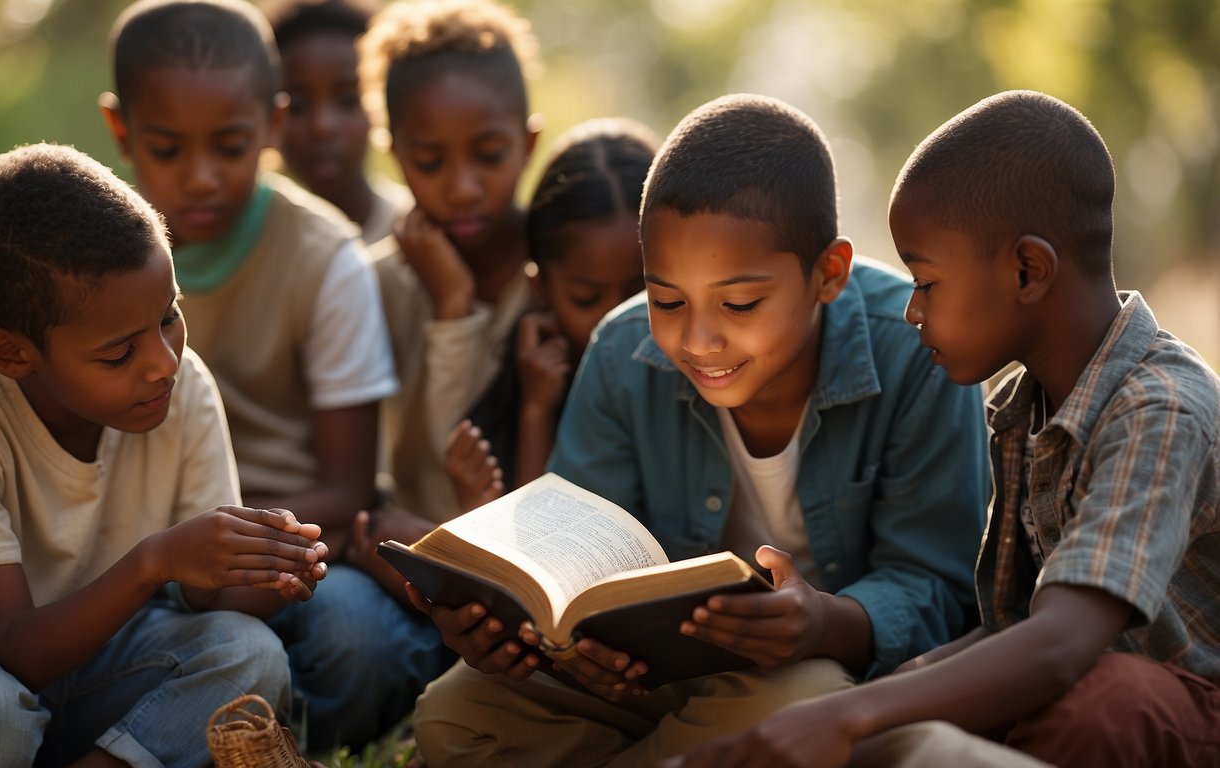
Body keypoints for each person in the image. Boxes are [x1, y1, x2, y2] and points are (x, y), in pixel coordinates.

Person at [407, 93, 993, 768]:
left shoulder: (913, 351)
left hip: (818, 673)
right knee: (455, 715)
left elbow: (936, 586)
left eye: (740, 303)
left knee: (796, 706)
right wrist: (551, 640)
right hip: (658, 679)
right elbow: (574, 568)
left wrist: (823, 621)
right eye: (665, 300)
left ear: (827, 273)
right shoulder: (624, 351)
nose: (698, 340)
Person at [667, 90, 1220, 768]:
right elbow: (1008, 629)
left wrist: (849, 716)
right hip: (1083, 687)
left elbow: (1058, 646)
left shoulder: (1160, 409)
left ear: (1027, 270)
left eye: (926, 282)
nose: (911, 311)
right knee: (906, 703)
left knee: (1099, 701)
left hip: (1182, 709)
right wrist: (872, 698)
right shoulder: (1024, 409)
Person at [0, 143, 328, 768]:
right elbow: (13, 646)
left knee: (250, 653)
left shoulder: (185, 386)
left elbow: (206, 604)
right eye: (119, 354)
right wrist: (157, 560)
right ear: (11, 354)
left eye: (169, 315)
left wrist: (264, 569)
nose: (162, 362)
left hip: (116, 652)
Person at [100, 0, 405, 751]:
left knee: (357, 640)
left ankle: (264, 743)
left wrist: (226, 549)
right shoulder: (89, 252)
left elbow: (346, 487)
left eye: (231, 147)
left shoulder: (324, 259)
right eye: (168, 150)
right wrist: (162, 555)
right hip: (117, 547)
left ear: (273, 124)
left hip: (287, 544)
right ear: (119, 131)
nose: (201, 178)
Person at [355, 0, 541, 530]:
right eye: (431, 162)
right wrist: (451, 307)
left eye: (489, 155)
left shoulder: (562, 272)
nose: (463, 189)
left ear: (528, 144)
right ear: (393, 154)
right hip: (412, 553)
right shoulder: (376, 283)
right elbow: (440, 469)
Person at [445, 116, 658, 511]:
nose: (614, 323)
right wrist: (536, 411)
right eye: (586, 298)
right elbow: (541, 542)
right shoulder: (531, 377)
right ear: (540, 288)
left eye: (640, 296)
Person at [263, 0, 411, 245]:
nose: (323, 126)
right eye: (298, 105)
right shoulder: (249, 240)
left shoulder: (417, 229)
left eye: (348, 100)